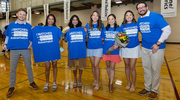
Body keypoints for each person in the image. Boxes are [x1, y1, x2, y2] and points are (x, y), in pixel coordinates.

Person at [136, 2, 171, 99]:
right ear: (138, 10)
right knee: (146, 68)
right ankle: (147, 87)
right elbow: (137, 30)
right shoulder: (140, 19)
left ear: (146, 7)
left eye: (142, 7)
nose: (141, 9)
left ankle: (155, 90)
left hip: (156, 48)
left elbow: (167, 29)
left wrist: (158, 44)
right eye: (139, 8)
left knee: (155, 69)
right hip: (145, 47)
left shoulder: (156, 16)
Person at [3, 8, 38, 98]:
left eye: (24, 14)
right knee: (13, 69)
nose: (22, 16)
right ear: (17, 15)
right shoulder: (11, 25)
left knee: (29, 67)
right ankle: (11, 87)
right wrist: (5, 44)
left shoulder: (28, 26)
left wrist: (31, 44)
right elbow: (7, 36)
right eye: (20, 14)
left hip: (26, 50)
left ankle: (31, 82)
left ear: (25, 16)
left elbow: (33, 37)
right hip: (14, 50)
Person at [32, 14, 62, 92]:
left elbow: (61, 37)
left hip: (54, 50)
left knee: (55, 65)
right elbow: (35, 36)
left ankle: (54, 82)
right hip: (45, 51)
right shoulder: (41, 28)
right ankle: (47, 82)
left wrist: (57, 41)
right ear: (47, 20)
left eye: (52, 19)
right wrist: (34, 28)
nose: (50, 20)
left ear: (54, 20)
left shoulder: (56, 29)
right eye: (49, 19)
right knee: (47, 67)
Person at [119, 10, 141, 93]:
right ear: (125, 17)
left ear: (133, 16)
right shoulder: (122, 26)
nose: (129, 16)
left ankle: (133, 84)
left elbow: (143, 32)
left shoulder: (137, 24)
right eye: (127, 15)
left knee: (132, 67)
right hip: (125, 49)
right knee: (126, 66)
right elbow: (122, 38)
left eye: (130, 15)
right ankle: (129, 82)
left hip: (135, 48)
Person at [84, 10, 104, 91]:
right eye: (93, 15)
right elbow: (85, 36)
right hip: (90, 48)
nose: (95, 17)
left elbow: (103, 37)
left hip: (99, 48)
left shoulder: (101, 26)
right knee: (92, 65)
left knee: (96, 65)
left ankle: (98, 82)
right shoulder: (87, 25)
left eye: (97, 15)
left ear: (98, 17)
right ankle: (95, 80)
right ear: (91, 16)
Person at [101, 14, 121, 93]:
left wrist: (118, 45)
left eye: (112, 19)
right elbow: (102, 40)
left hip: (114, 52)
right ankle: (110, 79)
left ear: (115, 20)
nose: (110, 20)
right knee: (108, 66)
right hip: (107, 51)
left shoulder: (119, 29)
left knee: (112, 67)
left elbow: (124, 41)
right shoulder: (105, 29)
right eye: (109, 19)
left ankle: (111, 84)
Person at [66, 15, 87, 88]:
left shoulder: (82, 29)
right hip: (72, 51)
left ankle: (80, 78)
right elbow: (66, 39)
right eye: (73, 20)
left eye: (76, 20)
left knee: (81, 66)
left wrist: (85, 31)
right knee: (73, 67)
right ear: (71, 21)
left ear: (78, 21)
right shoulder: (69, 30)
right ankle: (75, 79)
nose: (75, 21)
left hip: (81, 51)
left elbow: (86, 37)